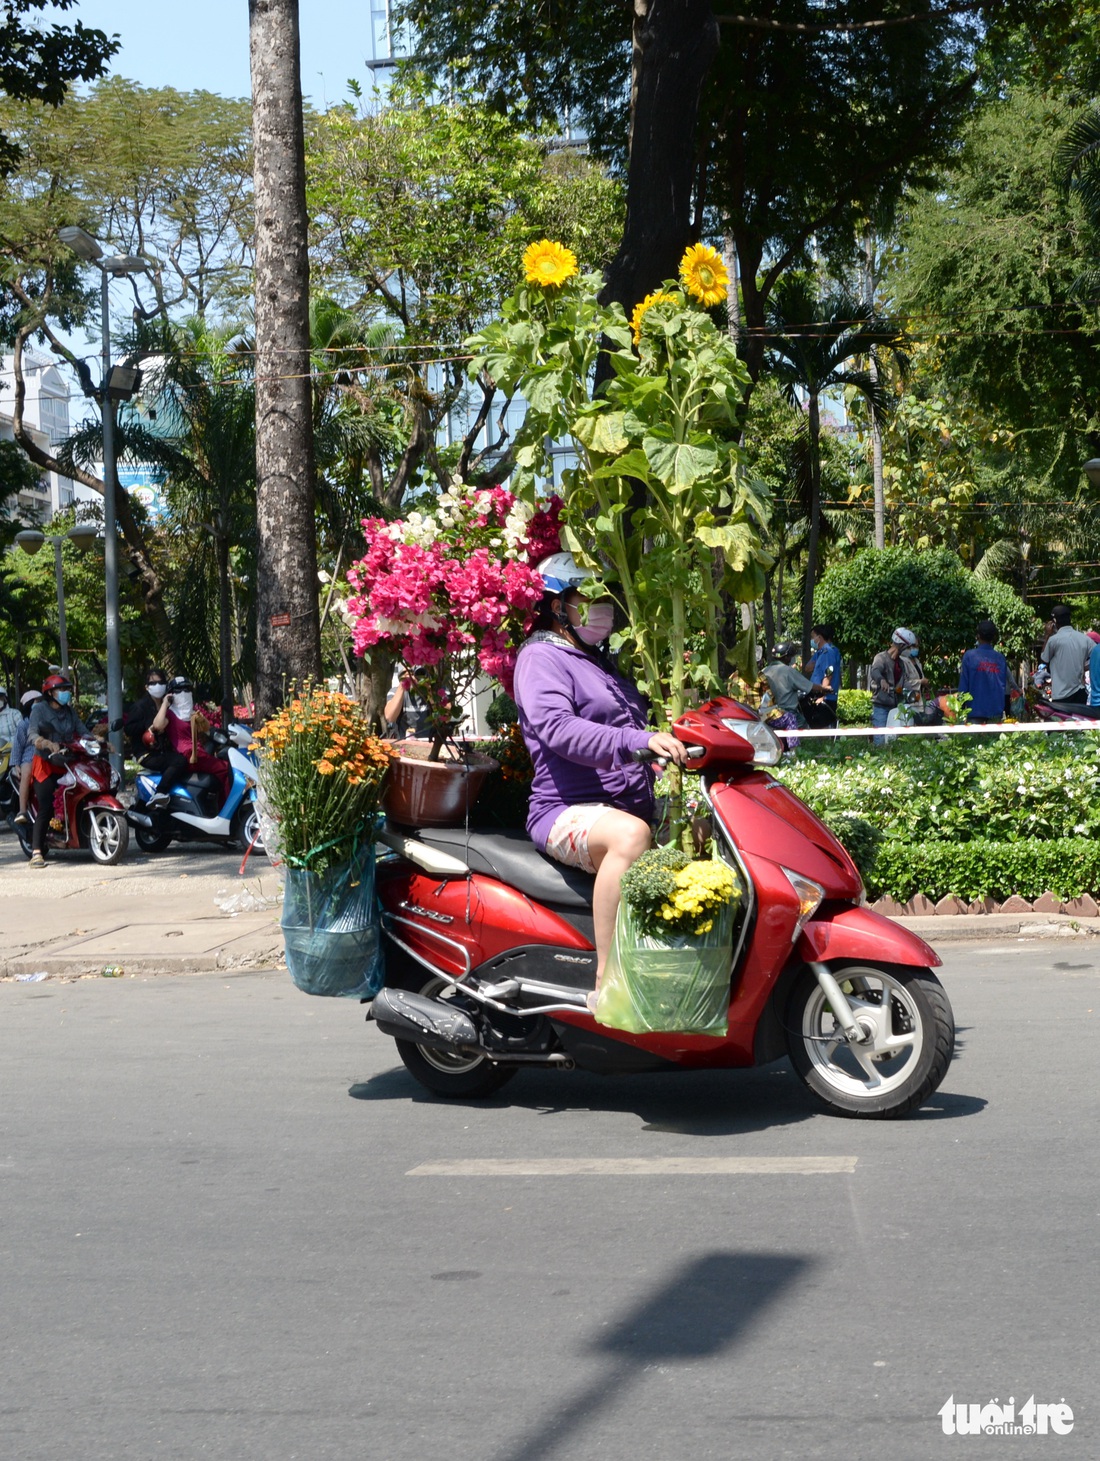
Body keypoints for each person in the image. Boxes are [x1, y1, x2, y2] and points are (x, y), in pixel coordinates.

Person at [512, 552, 687, 1002]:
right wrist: (638, 741)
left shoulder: (599, 661)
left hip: (631, 802)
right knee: (630, 837)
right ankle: (609, 983)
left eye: (605, 598)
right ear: (557, 606)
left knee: (706, 833)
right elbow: (558, 729)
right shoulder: (540, 659)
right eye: (587, 598)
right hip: (565, 809)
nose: (602, 609)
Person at [26, 674, 83, 868]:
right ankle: (36, 852)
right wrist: (46, 743)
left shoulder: (69, 711)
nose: (66, 693)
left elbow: (83, 731)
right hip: (46, 763)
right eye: (62, 690)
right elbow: (32, 733)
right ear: (50, 692)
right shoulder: (39, 710)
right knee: (47, 805)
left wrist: (99, 741)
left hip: (67, 761)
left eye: (67, 690)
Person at [150, 675, 230, 801]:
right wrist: (165, 704)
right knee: (226, 769)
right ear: (171, 694)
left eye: (187, 690)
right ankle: (225, 807)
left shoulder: (192, 714)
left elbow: (207, 729)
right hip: (187, 756)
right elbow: (158, 725)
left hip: (200, 754)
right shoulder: (171, 713)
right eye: (179, 690)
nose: (184, 693)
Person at [122, 667, 190, 807]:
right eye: (153, 683)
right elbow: (129, 729)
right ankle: (160, 793)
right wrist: (149, 726)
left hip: (165, 750)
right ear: (146, 687)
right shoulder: (141, 706)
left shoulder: (171, 703)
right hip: (147, 753)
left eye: (160, 682)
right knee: (179, 761)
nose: (157, 686)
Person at [869, 627, 928, 746]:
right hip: (881, 706)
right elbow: (875, 671)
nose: (909, 650)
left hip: (896, 707)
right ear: (901, 646)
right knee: (880, 740)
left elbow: (905, 681)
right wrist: (881, 681)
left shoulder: (901, 663)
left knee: (894, 740)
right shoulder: (881, 658)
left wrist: (913, 694)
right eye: (908, 647)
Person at [958, 620, 1010, 723]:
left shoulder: (969, 656)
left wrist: (959, 708)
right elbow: (1003, 686)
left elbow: (963, 687)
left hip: (974, 711)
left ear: (978, 636)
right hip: (995, 712)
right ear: (994, 637)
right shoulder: (1000, 658)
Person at [1043, 604, 1091, 705]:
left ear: (1054, 622)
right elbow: (1097, 655)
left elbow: (1044, 659)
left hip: (1061, 695)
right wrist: (1084, 667)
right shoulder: (1084, 639)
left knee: (1063, 721)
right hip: (1080, 692)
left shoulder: (1053, 640)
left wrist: (1047, 635)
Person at [9, 690, 41, 829]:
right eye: (36, 702)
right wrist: (16, 764)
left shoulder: (48, 721)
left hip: (48, 755)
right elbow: (17, 746)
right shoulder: (23, 724)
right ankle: (22, 811)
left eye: (40, 701)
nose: (39, 705)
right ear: (28, 705)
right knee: (26, 774)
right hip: (29, 757)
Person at [807, 623, 842, 715]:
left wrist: (822, 695)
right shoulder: (820, 652)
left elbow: (829, 672)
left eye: (813, 637)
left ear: (819, 637)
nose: (812, 640)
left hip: (825, 699)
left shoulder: (829, 652)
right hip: (818, 697)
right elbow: (807, 668)